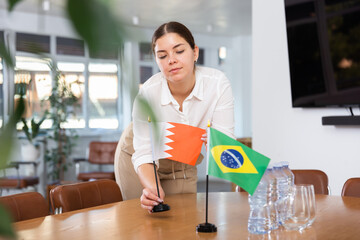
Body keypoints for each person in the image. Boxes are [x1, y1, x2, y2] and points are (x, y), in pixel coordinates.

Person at [117, 21, 235, 212]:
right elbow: (144, 152)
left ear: (195, 52)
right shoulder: (148, 93)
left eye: (179, 51)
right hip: (140, 157)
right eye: (162, 56)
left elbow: (225, 141)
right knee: (143, 217)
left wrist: (215, 142)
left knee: (184, 219)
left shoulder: (218, 84)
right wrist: (152, 189)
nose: (171, 60)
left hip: (183, 156)